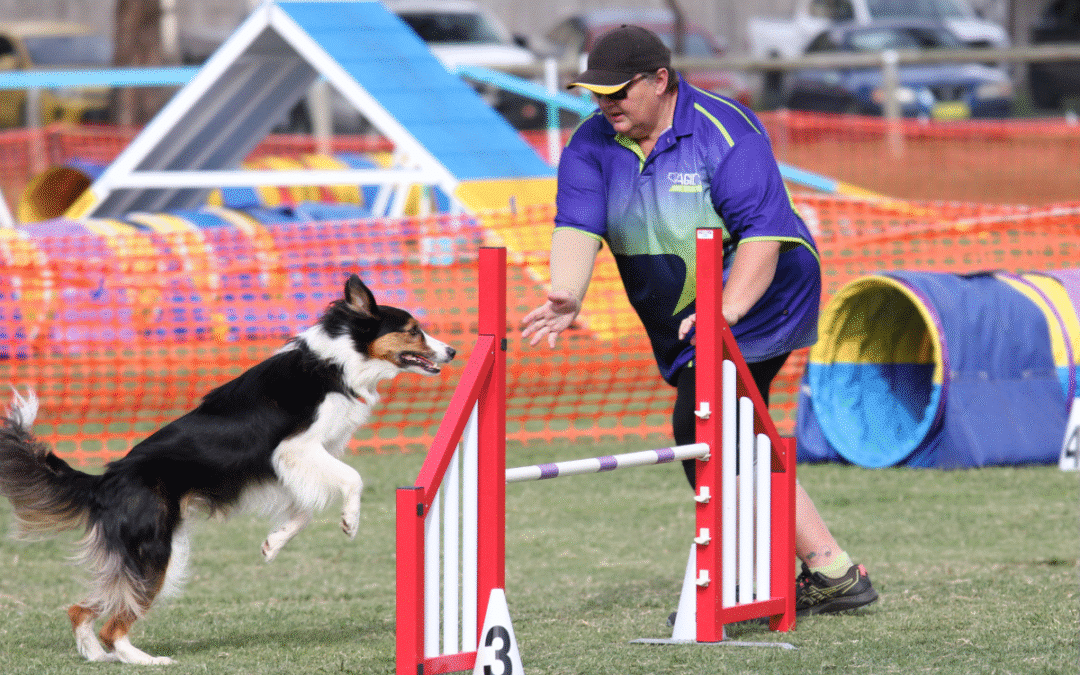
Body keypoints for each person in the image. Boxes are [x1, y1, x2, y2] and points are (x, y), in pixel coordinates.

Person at [520, 25, 877, 617]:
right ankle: (831, 569)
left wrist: (726, 311)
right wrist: (566, 293)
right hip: (687, 311)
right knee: (735, 434)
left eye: (617, 92)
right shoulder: (589, 145)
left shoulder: (725, 131)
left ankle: (740, 578)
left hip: (764, 295)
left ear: (660, 80)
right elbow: (576, 224)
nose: (605, 105)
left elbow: (764, 234)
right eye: (596, 93)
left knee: (703, 423)